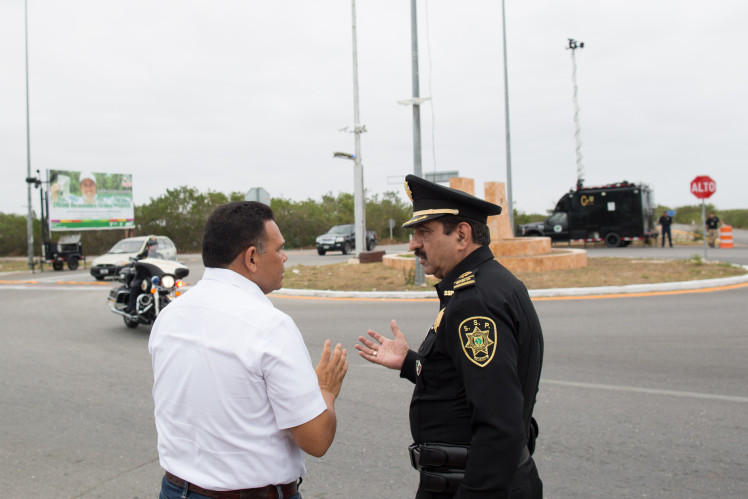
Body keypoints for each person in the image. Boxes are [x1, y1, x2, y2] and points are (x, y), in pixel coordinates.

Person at [356, 175, 544, 498]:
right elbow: (461, 385)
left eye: (423, 232)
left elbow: (499, 425)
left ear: (462, 235)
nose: (413, 244)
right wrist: (409, 363)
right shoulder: (493, 283)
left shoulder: (474, 303)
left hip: (472, 485)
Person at [149, 201, 348, 499]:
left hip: (175, 489)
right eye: (279, 249)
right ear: (252, 258)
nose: (285, 257)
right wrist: (326, 391)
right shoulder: (270, 326)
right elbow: (316, 440)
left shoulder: (169, 316)